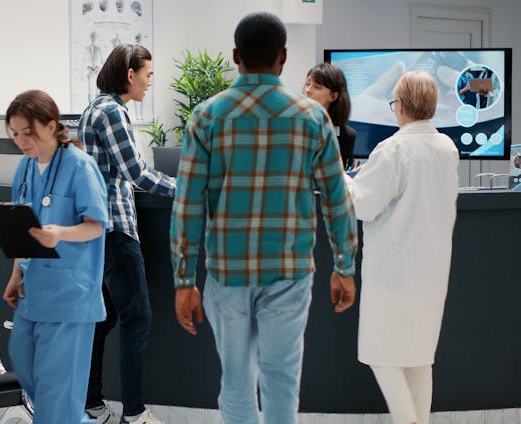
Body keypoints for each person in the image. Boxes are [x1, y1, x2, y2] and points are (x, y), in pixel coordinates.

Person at [170, 12, 358, 424]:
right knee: (282, 379)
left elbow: (187, 205)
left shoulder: (207, 116)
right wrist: (344, 266)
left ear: (236, 55)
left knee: (236, 380)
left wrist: (184, 281)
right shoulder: (313, 118)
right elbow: (336, 199)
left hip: (226, 271)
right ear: (284, 57)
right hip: (289, 271)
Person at [345, 71, 459, 424]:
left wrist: (342, 176)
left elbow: (363, 205)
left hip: (392, 273)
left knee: (383, 354)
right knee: (419, 357)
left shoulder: (393, 149)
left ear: (402, 107)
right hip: (432, 270)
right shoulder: (447, 148)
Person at [79, 43, 174, 424]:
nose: (150, 83)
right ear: (130, 74)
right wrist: (186, 187)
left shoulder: (93, 108)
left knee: (102, 320)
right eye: (148, 75)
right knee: (138, 318)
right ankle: (133, 414)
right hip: (117, 229)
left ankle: (92, 404)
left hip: (98, 231)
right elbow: (137, 174)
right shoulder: (114, 112)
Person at [1, 89, 108, 424]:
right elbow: (23, 227)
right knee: (25, 364)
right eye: (15, 134)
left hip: (71, 295)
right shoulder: (24, 169)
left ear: (50, 126)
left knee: (57, 391)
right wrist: (16, 273)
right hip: (34, 291)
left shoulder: (80, 167)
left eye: (27, 132)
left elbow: (95, 227)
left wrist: (61, 233)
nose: (21, 141)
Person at [305, 62, 356, 170]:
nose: (308, 90)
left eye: (317, 87)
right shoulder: (296, 125)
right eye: (308, 84)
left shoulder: (347, 135)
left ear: (333, 96)